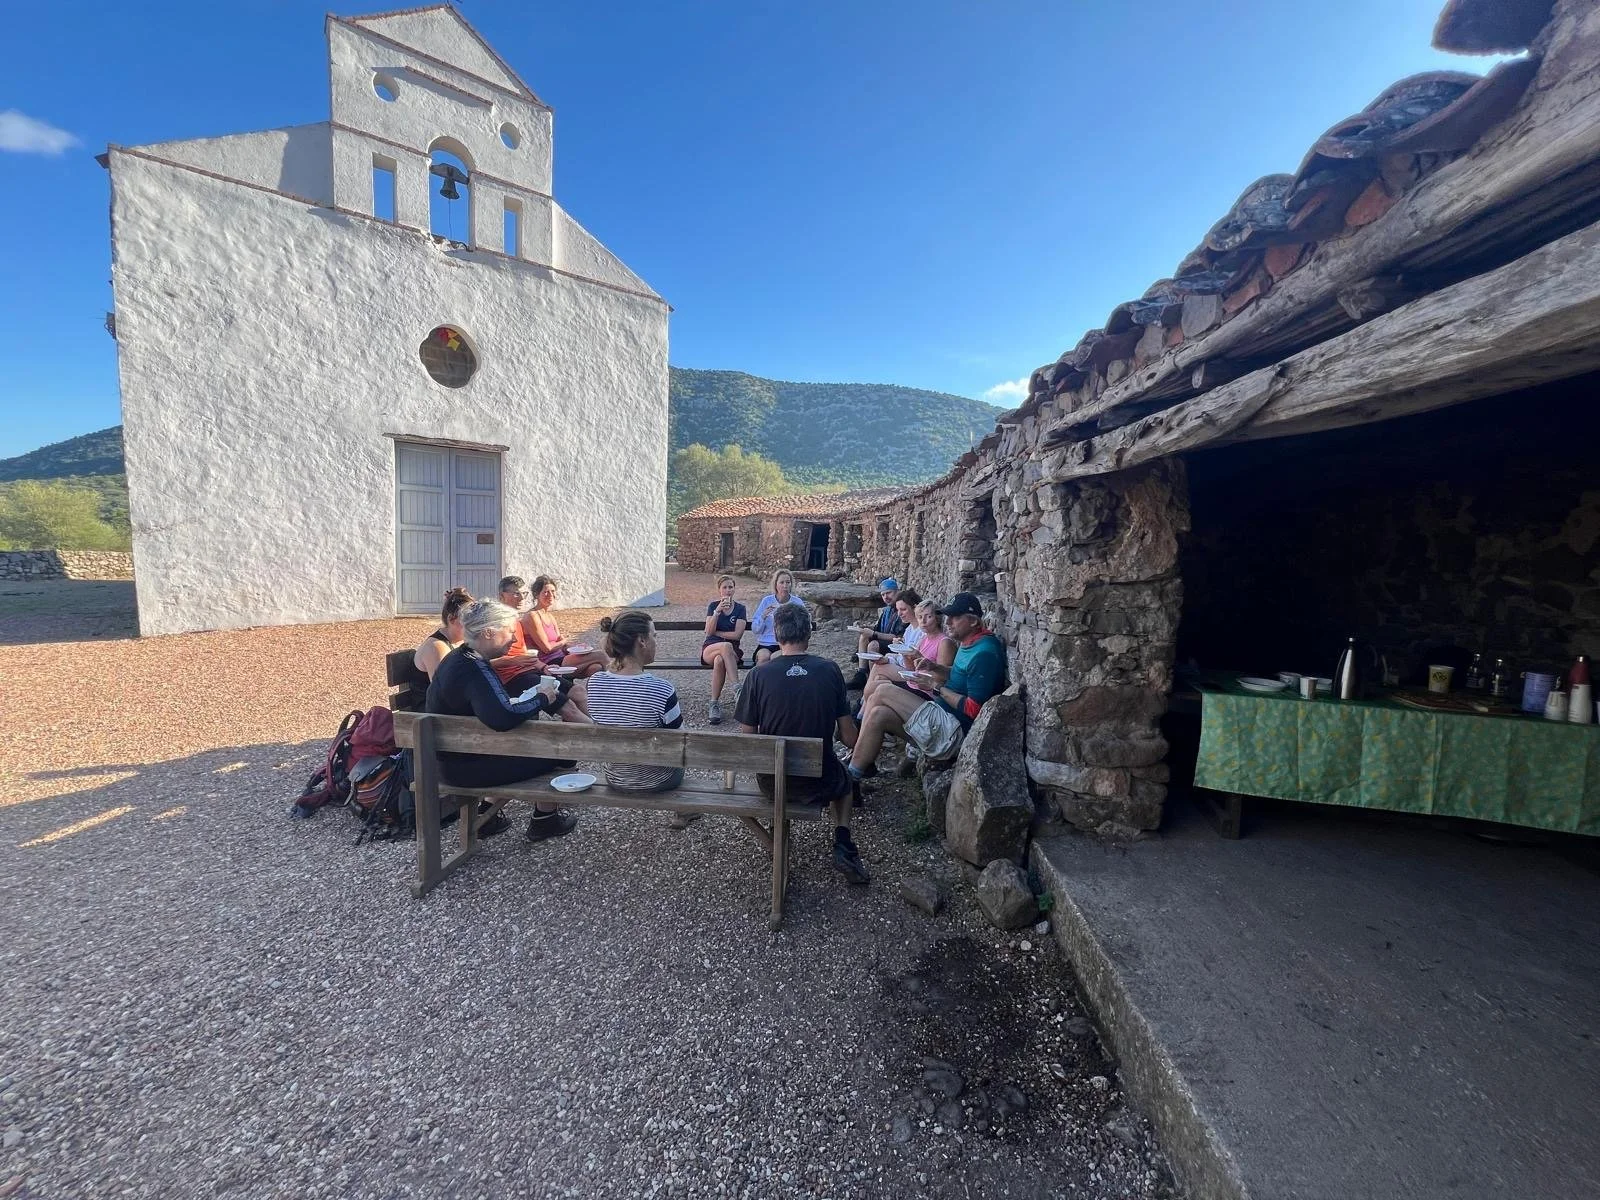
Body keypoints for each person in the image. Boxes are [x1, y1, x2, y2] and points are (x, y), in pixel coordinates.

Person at [424, 599, 580, 841]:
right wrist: (541, 699)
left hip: (454, 759)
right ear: (488, 632)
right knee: (561, 751)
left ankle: (487, 816)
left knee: (538, 741)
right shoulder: (473, 669)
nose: (515, 639)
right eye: (509, 631)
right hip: (465, 769)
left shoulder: (460, 658)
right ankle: (545, 820)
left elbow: (493, 708)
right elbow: (502, 718)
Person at [735, 603, 869, 885]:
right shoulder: (830, 671)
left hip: (774, 781)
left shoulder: (758, 676)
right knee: (844, 781)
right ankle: (843, 840)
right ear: (809, 633)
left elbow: (747, 739)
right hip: (820, 780)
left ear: (777, 634)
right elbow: (849, 738)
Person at [848, 592, 1005, 779]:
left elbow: (974, 709)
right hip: (940, 717)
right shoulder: (969, 642)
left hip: (953, 732)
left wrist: (935, 686)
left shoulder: (984, 653)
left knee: (882, 690)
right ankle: (853, 775)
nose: (947, 622)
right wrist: (934, 666)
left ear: (973, 622)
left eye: (955, 618)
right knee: (878, 713)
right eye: (948, 617)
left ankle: (853, 745)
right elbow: (959, 674)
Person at [586, 612, 694, 825]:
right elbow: (683, 742)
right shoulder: (661, 690)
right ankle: (684, 810)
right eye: (654, 636)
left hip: (616, 776)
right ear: (642, 641)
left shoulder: (595, 683)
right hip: (659, 780)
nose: (656, 642)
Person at [490, 575, 591, 719]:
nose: (521, 598)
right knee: (569, 708)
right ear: (502, 596)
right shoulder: (494, 624)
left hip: (532, 671)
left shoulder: (517, 621)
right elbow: (484, 662)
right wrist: (514, 661)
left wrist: (543, 667)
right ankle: (603, 737)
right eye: (516, 593)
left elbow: (525, 653)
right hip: (514, 678)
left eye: (523, 593)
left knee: (579, 691)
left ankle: (601, 728)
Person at [861, 595, 956, 712]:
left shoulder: (944, 642)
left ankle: (860, 718)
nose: (923, 621)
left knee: (879, 692)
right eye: (920, 617)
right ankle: (860, 718)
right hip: (914, 683)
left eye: (928, 617)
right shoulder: (924, 639)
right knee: (872, 687)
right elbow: (911, 668)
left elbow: (941, 678)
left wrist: (921, 659)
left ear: (937, 618)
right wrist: (906, 654)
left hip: (927, 692)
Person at [524, 575, 607, 679]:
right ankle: (620, 682)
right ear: (536, 595)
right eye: (546, 592)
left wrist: (576, 648)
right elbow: (547, 649)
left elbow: (562, 643)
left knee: (596, 668)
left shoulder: (549, 616)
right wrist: (564, 641)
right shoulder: (532, 616)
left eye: (553, 591)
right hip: (548, 663)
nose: (550, 595)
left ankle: (594, 694)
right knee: (601, 655)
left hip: (561, 658)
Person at [700, 574, 748, 725]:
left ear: (734, 589)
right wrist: (717, 612)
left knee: (720, 659)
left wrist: (717, 632)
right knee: (724, 647)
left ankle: (714, 704)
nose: (728, 590)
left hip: (731, 651)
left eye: (730, 587)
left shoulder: (740, 609)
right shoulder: (713, 606)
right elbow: (708, 631)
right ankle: (737, 690)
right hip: (711, 647)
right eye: (725, 587)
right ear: (719, 590)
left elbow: (737, 635)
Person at [848, 577, 906, 690]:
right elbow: (878, 629)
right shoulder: (886, 611)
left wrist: (874, 633)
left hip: (896, 645)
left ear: (897, 592)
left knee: (873, 644)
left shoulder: (901, 609)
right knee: (864, 635)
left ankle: (872, 679)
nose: (886, 597)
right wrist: (866, 630)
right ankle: (861, 674)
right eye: (883, 595)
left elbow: (897, 636)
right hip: (886, 641)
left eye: (888, 593)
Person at [413, 586, 473, 679]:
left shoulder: (461, 640)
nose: (473, 624)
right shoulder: (437, 648)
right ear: (451, 619)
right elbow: (442, 689)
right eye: (467, 619)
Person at [750, 569, 806, 665]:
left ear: (791, 584)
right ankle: (759, 680)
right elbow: (755, 629)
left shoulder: (797, 602)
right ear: (776, 584)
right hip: (766, 644)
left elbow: (805, 625)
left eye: (788, 582)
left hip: (788, 644)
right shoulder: (767, 601)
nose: (785, 586)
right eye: (782, 582)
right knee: (764, 657)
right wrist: (763, 616)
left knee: (775, 658)